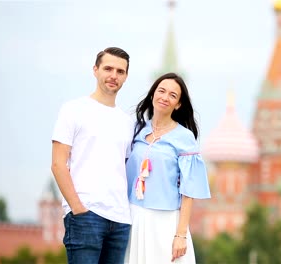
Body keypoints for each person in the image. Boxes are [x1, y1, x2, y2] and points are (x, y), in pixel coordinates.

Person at [51, 47, 133, 263]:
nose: (113, 76)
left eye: (120, 71)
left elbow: (123, 167)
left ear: (126, 76)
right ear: (95, 70)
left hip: (120, 220)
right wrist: (78, 208)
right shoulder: (73, 109)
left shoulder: (127, 122)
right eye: (108, 68)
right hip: (86, 215)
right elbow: (58, 164)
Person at [125, 72, 211, 263]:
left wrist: (180, 235)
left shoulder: (185, 137)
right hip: (134, 217)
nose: (165, 97)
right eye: (161, 91)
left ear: (178, 104)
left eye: (173, 95)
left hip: (166, 220)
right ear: (153, 94)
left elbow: (188, 191)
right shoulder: (137, 129)